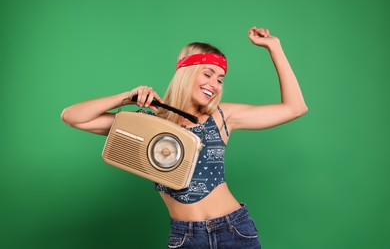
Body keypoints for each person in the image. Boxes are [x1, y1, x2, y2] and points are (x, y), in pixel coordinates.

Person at [61, 26, 308, 248]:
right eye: (208, 73)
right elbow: (73, 117)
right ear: (187, 72)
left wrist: (274, 47)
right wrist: (126, 97)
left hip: (234, 230)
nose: (215, 84)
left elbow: (295, 108)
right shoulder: (147, 124)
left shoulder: (223, 117)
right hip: (187, 238)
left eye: (220, 79)